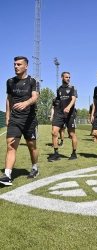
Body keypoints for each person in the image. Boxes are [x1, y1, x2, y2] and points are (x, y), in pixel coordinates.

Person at [0, 56, 40, 186]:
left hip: (29, 120)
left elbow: (35, 97)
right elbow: (9, 99)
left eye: (19, 64)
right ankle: (7, 175)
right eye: (15, 64)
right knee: (11, 145)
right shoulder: (10, 81)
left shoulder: (33, 81)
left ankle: (34, 168)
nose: (16, 66)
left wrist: (26, 103)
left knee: (31, 146)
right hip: (15, 119)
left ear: (26, 66)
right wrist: (7, 116)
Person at [48, 72, 78, 161]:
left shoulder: (72, 87)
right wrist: (54, 114)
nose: (68, 78)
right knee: (54, 132)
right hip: (60, 114)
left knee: (72, 134)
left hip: (70, 114)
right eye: (66, 77)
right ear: (62, 77)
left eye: (69, 77)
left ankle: (74, 153)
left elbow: (73, 99)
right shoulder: (59, 89)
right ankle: (56, 154)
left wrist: (68, 107)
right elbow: (58, 101)